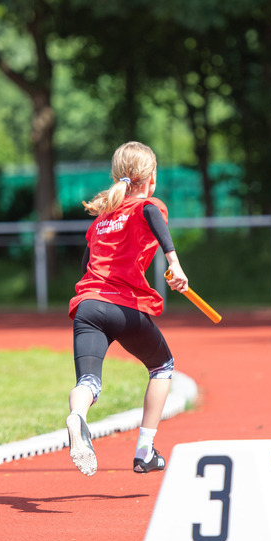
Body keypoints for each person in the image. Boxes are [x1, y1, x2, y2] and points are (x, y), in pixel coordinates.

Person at [65, 141, 190, 476]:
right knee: (163, 366)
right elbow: (150, 211)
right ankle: (145, 451)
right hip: (123, 307)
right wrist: (174, 262)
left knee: (89, 382)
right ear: (150, 178)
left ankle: (77, 415)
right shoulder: (147, 206)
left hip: (88, 306)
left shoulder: (100, 222)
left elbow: (85, 264)